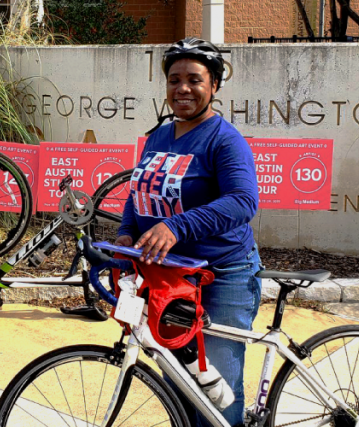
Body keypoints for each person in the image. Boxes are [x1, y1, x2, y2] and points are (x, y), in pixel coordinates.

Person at [114, 37, 260, 427]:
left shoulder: (224, 140)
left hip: (222, 276)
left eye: (195, 80)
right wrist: (128, 231)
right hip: (171, 276)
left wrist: (177, 226)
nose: (183, 88)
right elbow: (140, 192)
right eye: (174, 79)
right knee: (178, 378)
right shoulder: (159, 136)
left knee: (217, 390)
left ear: (214, 86)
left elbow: (244, 201)